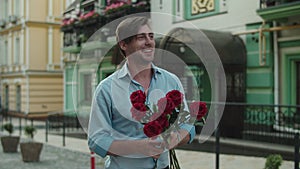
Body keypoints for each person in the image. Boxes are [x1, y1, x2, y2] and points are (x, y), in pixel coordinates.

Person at [88, 16, 195, 169]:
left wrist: (171, 139)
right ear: (124, 44)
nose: (149, 42)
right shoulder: (106, 89)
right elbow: (96, 140)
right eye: (141, 37)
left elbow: (188, 125)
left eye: (151, 36)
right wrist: (140, 148)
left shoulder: (172, 81)